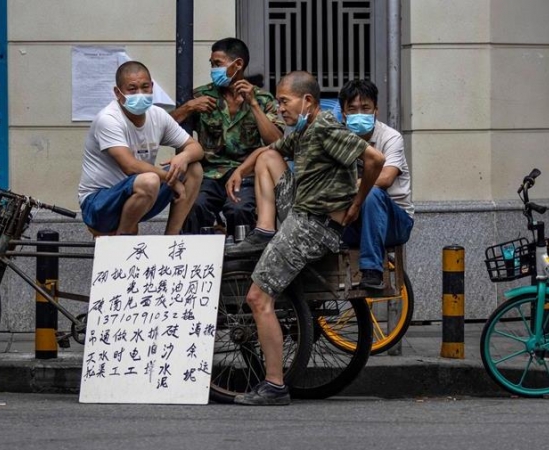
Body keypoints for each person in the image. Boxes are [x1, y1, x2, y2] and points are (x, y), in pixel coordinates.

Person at [226, 71, 385, 405]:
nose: (280, 108)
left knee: (258, 298)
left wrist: (357, 201)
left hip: (313, 226)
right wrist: (241, 170)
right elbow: (270, 149)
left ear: (307, 101)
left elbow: (375, 159)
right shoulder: (303, 130)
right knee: (268, 157)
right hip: (299, 211)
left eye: (284, 101)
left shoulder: (326, 127)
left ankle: (273, 385)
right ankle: (265, 229)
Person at [170, 38, 284, 235]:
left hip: (246, 174)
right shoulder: (201, 96)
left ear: (237, 64)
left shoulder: (263, 99)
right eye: (212, 64)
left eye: (218, 64)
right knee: (195, 206)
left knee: (239, 210)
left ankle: (241, 262)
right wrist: (187, 108)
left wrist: (254, 105)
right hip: (209, 174)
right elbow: (164, 127)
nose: (213, 69)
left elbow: (275, 142)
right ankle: (197, 261)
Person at [78, 61, 204, 235]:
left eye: (145, 87)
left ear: (152, 87)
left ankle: (170, 240)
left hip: (142, 197)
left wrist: (184, 157)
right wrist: (171, 179)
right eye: (132, 89)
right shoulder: (108, 119)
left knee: (193, 168)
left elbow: (196, 148)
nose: (140, 94)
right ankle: (121, 242)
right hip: (99, 204)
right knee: (149, 180)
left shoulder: (157, 115)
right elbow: (130, 166)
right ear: (118, 92)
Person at [337, 79, 414, 289]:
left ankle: (372, 271)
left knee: (372, 192)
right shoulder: (338, 138)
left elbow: (386, 178)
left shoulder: (391, 138)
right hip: (354, 220)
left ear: (375, 111)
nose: (359, 114)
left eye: (365, 108)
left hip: (395, 221)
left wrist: (350, 186)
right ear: (343, 114)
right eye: (352, 109)